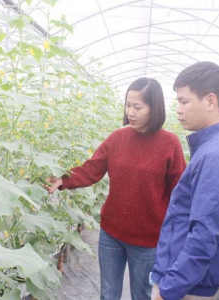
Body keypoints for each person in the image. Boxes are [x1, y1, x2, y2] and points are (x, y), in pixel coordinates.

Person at [44, 78, 186, 300]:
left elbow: (179, 193)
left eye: (137, 107)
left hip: (148, 242)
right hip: (111, 234)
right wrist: (63, 180)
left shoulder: (170, 144)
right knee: (108, 294)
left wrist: (175, 237)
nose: (130, 111)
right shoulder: (118, 138)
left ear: (154, 107)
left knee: (142, 295)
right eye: (128, 105)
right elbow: (92, 169)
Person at [151, 62, 219, 300]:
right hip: (187, 282)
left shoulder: (214, 156)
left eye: (184, 101)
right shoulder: (217, 147)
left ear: (211, 101)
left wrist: (168, 290)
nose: (178, 109)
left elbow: (203, 237)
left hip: (186, 288)